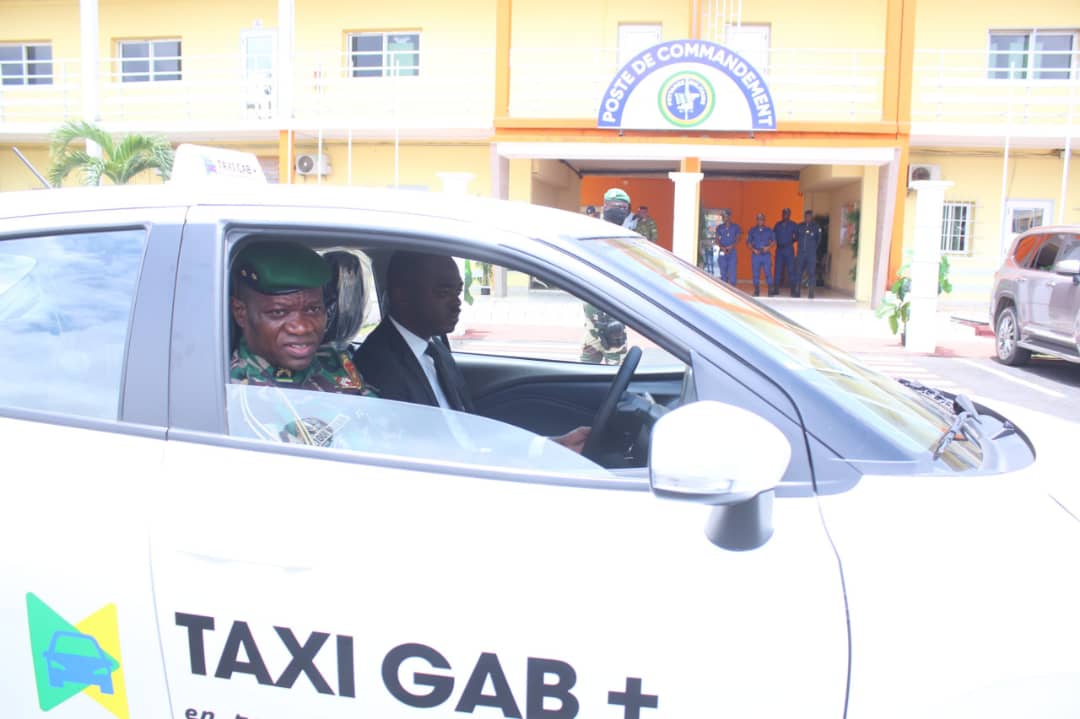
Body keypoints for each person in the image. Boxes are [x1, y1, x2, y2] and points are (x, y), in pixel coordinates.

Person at [354, 251, 590, 452]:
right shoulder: (377, 365)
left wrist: (546, 447)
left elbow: (466, 432)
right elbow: (426, 453)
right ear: (402, 296)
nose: (457, 303)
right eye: (443, 293)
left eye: (458, 292)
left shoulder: (435, 352)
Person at [229, 240, 375, 395]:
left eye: (313, 309)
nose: (303, 328)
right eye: (279, 312)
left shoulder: (332, 359)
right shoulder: (237, 391)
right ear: (240, 312)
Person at [792, 210, 823, 299]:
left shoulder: (816, 227)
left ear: (812, 217)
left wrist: (812, 249)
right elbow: (796, 237)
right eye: (806, 216)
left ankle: (811, 292)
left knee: (811, 273)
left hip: (811, 254)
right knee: (798, 272)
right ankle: (797, 291)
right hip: (801, 253)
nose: (807, 218)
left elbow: (818, 240)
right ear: (804, 217)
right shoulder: (800, 226)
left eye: (809, 216)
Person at [746, 213, 776, 297]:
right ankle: (756, 290)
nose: (760, 221)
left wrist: (768, 247)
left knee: (768, 273)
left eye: (761, 219)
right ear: (757, 220)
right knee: (755, 273)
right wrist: (753, 249)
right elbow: (748, 242)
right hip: (756, 254)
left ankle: (770, 290)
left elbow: (774, 241)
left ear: (764, 220)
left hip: (766, 254)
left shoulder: (769, 230)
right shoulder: (752, 230)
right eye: (758, 219)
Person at [773, 208, 797, 290]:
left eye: (787, 214)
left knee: (791, 269)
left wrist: (791, 241)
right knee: (778, 269)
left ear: (789, 215)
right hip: (779, 249)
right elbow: (773, 236)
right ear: (782, 214)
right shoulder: (777, 225)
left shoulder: (793, 224)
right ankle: (776, 288)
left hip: (789, 249)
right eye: (784, 213)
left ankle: (793, 289)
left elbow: (797, 236)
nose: (785, 215)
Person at [715, 209, 741, 286]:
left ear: (729, 217)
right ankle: (724, 289)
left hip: (732, 252)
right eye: (722, 216)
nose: (723, 218)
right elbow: (716, 239)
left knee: (732, 272)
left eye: (725, 216)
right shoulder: (719, 227)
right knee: (723, 272)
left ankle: (733, 290)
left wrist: (732, 246)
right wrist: (721, 247)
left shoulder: (735, 227)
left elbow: (738, 238)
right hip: (722, 251)